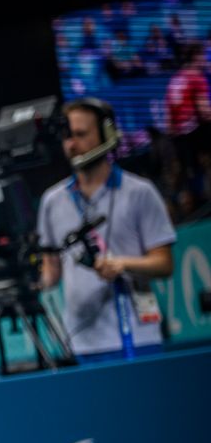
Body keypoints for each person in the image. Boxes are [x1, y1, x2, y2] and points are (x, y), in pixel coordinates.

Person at [39, 98, 176, 363]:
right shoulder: (51, 201)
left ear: (107, 135)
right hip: (81, 344)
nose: (71, 145)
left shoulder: (139, 192)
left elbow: (165, 264)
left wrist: (122, 264)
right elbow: (51, 272)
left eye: (80, 134)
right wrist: (28, 280)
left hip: (138, 336)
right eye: (67, 136)